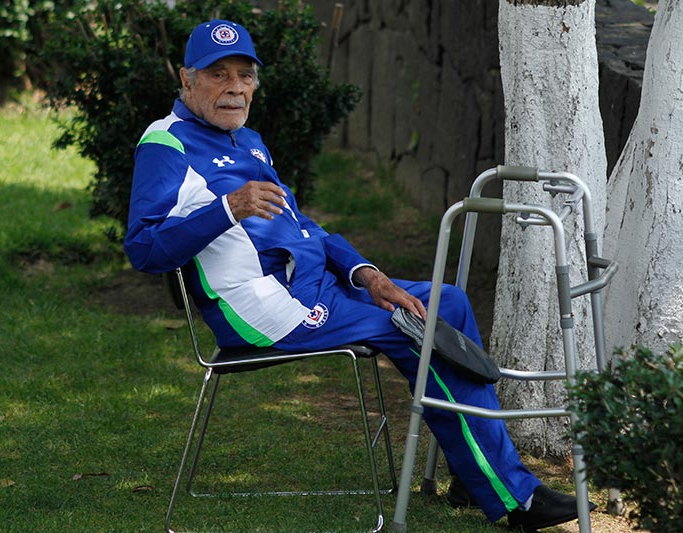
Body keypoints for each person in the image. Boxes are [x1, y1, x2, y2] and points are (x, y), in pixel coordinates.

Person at [124, 19, 593, 532]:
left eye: (245, 75)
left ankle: (473, 471)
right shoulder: (164, 145)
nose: (235, 86)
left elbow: (306, 230)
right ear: (187, 81)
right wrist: (228, 209)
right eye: (219, 75)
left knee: (449, 302)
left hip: (312, 285)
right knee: (415, 329)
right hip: (263, 307)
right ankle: (515, 498)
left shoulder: (248, 140)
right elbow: (144, 249)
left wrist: (369, 275)